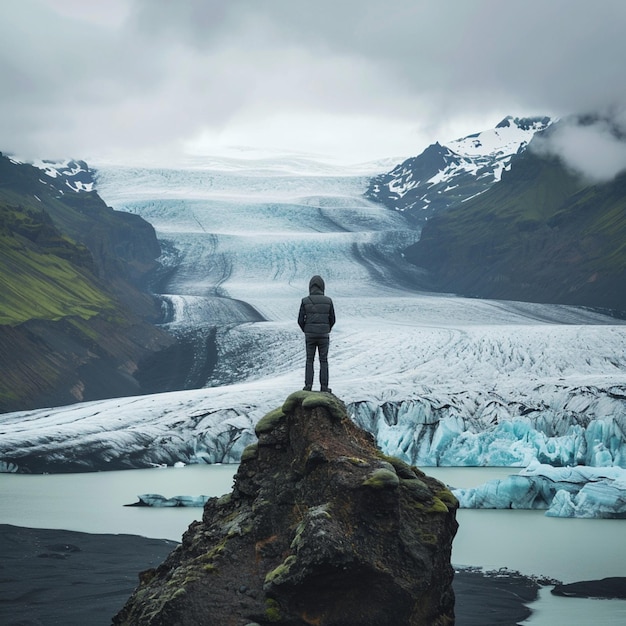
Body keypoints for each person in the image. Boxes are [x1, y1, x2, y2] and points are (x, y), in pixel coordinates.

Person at [298, 275, 336, 393]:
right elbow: (333, 319)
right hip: (324, 335)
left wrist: (307, 329)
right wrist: (326, 329)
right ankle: (324, 387)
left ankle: (308, 385)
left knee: (310, 360)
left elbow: (300, 320)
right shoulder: (328, 301)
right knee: (323, 360)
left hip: (310, 335)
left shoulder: (305, 301)